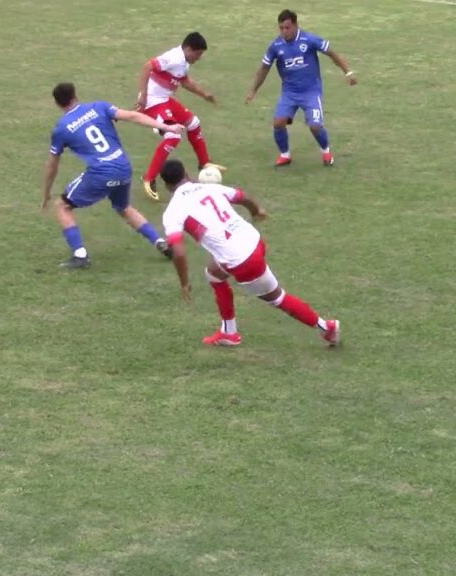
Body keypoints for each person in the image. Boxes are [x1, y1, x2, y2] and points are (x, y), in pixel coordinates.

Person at [158, 159, 340, 347]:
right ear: (187, 173)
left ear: (167, 185)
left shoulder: (173, 211)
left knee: (278, 298)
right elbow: (242, 197)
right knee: (214, 274)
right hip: (254, 241)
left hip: (243, 261)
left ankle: (327, 327)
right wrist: (256, 212)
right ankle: (229, 332)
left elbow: (178, 252)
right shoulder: (209, 188)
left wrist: (184, 283)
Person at [42, 82, 183, 268]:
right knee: (123, 207)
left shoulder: (61, 129)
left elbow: (53, 165)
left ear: (57, 103)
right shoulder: (99, 106)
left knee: (62, 206)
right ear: (75, 96)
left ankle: (80, 256)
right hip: (124, 166)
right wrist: (168, 127)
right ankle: (160, 243)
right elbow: (133, 116)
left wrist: (46, 193)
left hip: (102, 173)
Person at [245, 9, 357, 167]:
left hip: (311, 92)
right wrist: (253, 90)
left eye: (287, 27)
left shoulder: (309, 40)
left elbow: (332, 53)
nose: (284, 32)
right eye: (281, 28)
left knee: (315, 126)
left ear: (296, 25)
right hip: (289, 93)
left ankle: (326, 151)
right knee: (278, 123)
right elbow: (264, 68)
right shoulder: (276, 46)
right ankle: (285, 155)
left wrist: (348, 72)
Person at [135, 32, 226, 201]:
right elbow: (148, 66)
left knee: (194, 124)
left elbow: (185, 82)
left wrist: (204, 94)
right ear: (189, 49)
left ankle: (204, 163)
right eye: (198, 54)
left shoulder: (184, 62)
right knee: (173, 135)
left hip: (165, 100)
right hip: (153, 103)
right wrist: (143, 94)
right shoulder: (173, 58)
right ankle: (149, 178)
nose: (199, 58)